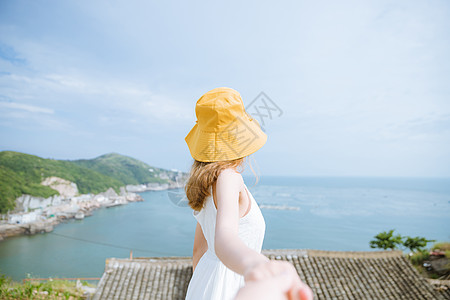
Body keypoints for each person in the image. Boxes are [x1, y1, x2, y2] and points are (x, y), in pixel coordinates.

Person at [184, 87, 313, 300]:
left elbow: (199, 250)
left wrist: (201, 288)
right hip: (230, 282)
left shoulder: (206, 183)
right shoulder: (228, 176)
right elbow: (224, 237)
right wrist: (255, 264)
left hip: (205, 281)